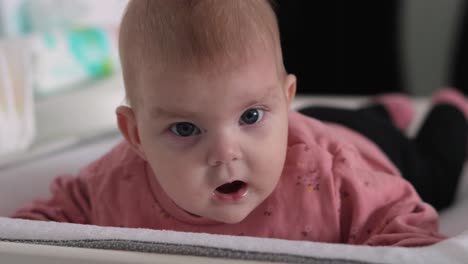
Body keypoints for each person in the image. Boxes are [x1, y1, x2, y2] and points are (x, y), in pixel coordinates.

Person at [11, 0, 468, 247]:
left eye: (249, 116)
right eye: (186, 129)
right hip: (298, 124)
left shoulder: (335, 176)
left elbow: (407, 229)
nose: (225, 152)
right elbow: (32, 231)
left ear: (285, 101)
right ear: (135, 136)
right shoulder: (112, 181)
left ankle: (445, 109)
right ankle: (375, 109)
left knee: (435, 177)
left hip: (369, 146)